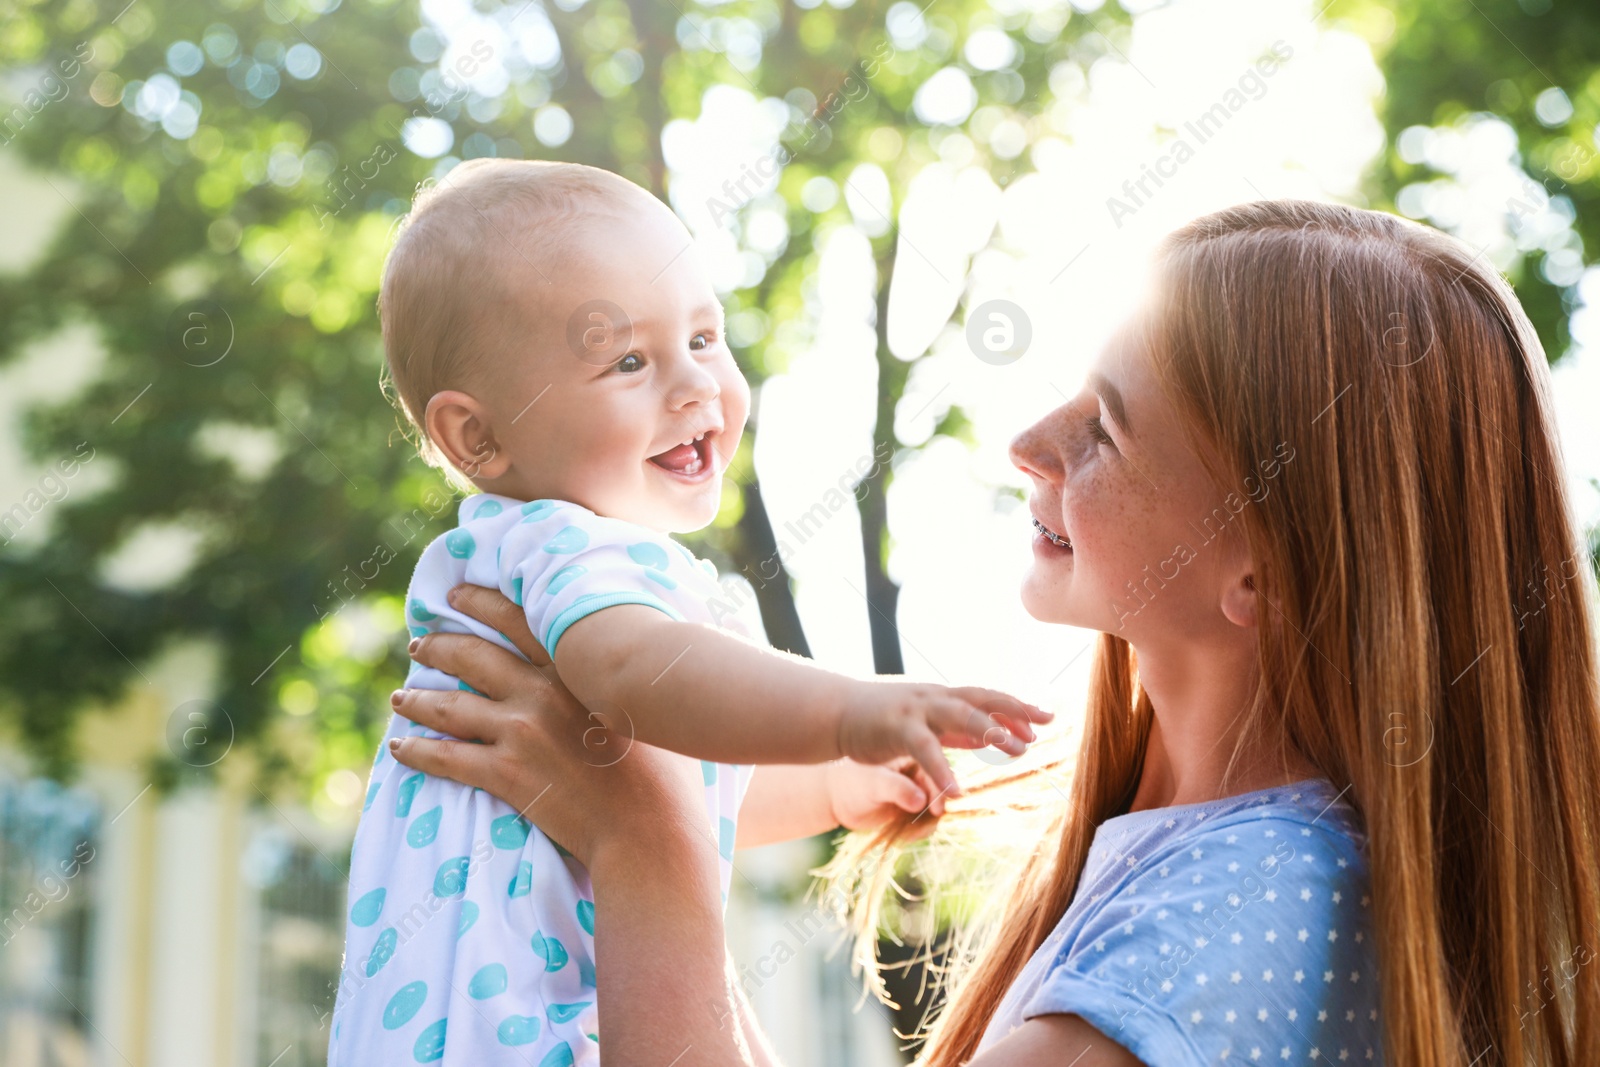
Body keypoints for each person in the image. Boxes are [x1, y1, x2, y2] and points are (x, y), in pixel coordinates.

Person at [388, 200, 1600, 1066]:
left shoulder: (1239, 914)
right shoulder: (1190, 863)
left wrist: (644, 842)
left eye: (1106, 427)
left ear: (1260, 574)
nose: (1028, 438)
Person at [327, 158, 1050, 1066]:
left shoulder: (543, 562)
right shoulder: (564, 547)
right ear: (479, 435)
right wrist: (845, 711)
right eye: (628, 361)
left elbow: (682, 788)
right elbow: (636, 677)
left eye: (705, 338)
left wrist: (831, 785)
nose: (694, 386)